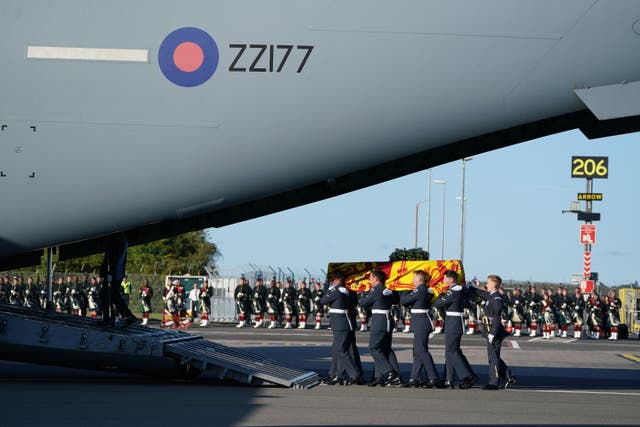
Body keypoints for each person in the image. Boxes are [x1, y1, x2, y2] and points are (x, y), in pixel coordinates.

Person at [435, 270, 478, 389]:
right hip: (453, 322)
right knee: (451, 351)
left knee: (452, 351)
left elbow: (438, 303)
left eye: (445, 278)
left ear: (451, 279)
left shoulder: (453, 292)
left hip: (453, 323)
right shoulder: (459, 290)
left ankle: (468, 375)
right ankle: (448, 379)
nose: (443, 281)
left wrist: (440, 294)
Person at [471, 275, 516, 390]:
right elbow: (481, 293)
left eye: (488, 283)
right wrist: (470, 287)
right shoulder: (491, 295)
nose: (486, 284)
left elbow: (496, 316)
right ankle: (508, 376)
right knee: (493, 356)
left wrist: (493, 332)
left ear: (494, 284)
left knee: (493, 357)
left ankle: (493, 382)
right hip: (490, 329)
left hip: (494, 330)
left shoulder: (496, 298)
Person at [359, 269, 403, 387]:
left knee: (374, 348)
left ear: (376, 279)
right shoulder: (388, 290)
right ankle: (386, 377)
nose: (370, 280)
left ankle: (389, 373)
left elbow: (363, 302)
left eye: (371, 278)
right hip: (388, 320)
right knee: (386, 350)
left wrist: (365, 294)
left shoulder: (376, 290)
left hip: (380, 321)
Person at [400, 270, 443, 388]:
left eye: (414, 278)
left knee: (422, 351)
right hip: (420, 321)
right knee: (418, 351)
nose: (412, 281)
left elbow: (404, 301)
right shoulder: (424, 289)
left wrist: (404, 289)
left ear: (419, 279)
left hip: (421, 322)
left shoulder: (421, 290)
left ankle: (433, 377)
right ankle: (414, 378)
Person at [319, 272, 363, 385]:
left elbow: (323, 301)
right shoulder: (345, 290)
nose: (332, 283)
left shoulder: (337, 290)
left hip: (340, 324)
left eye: (333, 281)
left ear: (337, 280)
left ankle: (354, 374)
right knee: (338, 350)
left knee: (341, 350)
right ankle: (338, 375)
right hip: (342, 323)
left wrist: (329, 289)